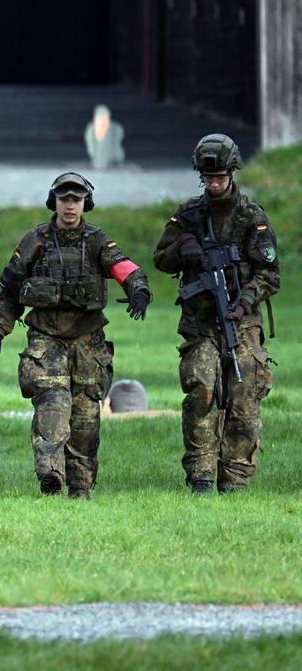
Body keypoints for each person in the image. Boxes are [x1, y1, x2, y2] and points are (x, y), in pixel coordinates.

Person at [0, 172, 151, 500]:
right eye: (65, 199)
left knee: (87, 418)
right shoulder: (36, 240)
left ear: (85, 203)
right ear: (55, 202)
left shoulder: (97, 241)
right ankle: (50, 472)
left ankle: (81, 489)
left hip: (88, 342)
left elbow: (125, 269)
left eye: (76, 200)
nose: (70, 206)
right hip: (46, 338)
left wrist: (138, 290)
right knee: (53, 402)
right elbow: (11, 289)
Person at [152, 134, 279, 494]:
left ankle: (235, 477)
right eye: (208, 178)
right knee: (202, 389)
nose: (215, 184)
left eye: (220, 177)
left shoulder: (251, 217)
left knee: (244, 395)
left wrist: (245, 301)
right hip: (200, 325)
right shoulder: (189, 214)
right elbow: (161, 258)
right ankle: (202, 476)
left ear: (232, 172)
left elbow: (270, 273)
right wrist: (184, 247)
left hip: (242, 322)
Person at [83, 104, 125, 170]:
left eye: (105, 118)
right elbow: (90, 141)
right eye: (100, 118)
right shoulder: (91, 128)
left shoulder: (115, 128)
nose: (103, 120)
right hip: (97, 158)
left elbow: (118, 137)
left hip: (111, 158)